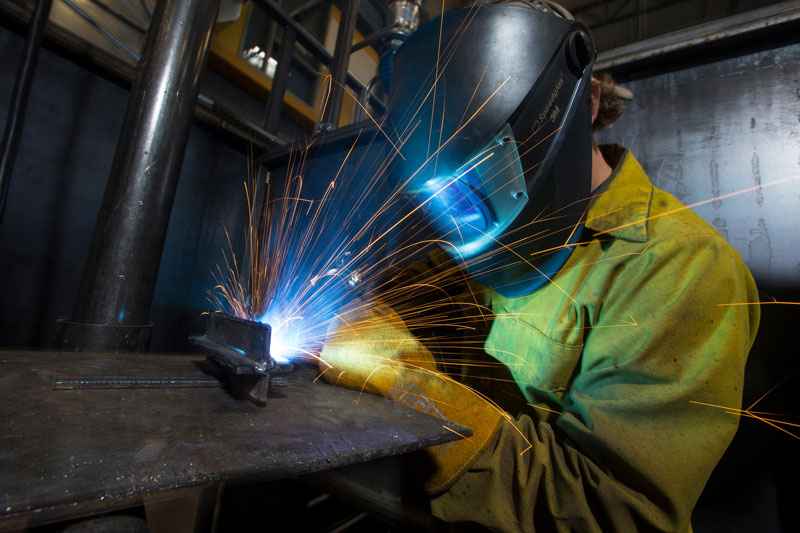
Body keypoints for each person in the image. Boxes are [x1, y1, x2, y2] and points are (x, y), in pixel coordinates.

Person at [321, 2, 760, 531]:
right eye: (448, 194)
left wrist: (413, 396)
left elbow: (614, 512)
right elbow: (394, 307)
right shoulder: (459, 244)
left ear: (588, 99)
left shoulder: (680, 267)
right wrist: (350, 317)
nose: (465, 216)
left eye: (482, 172)